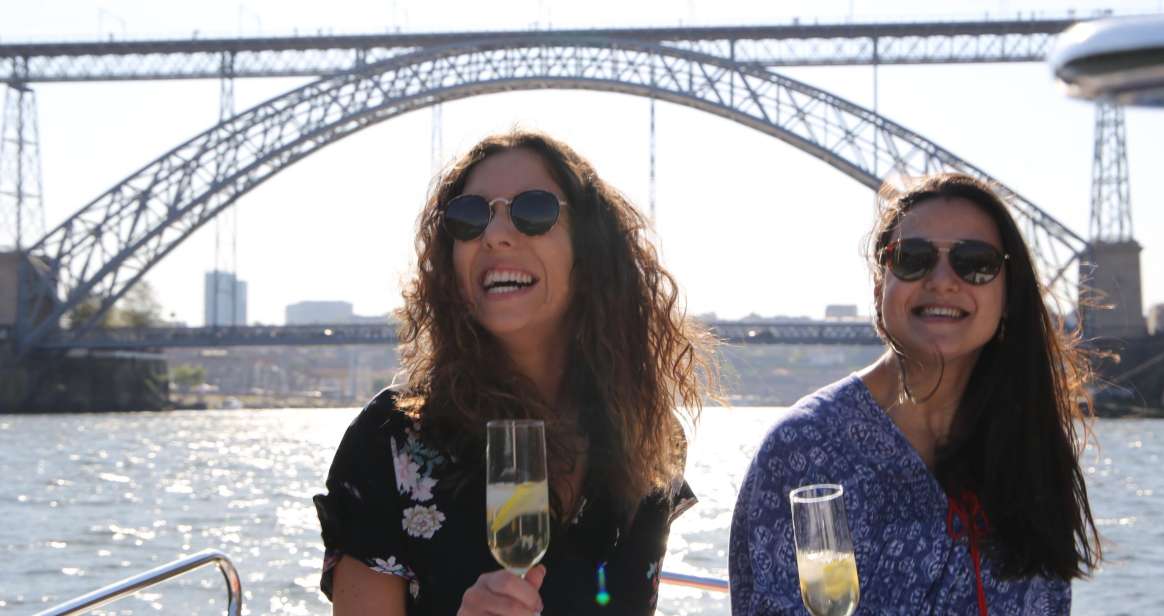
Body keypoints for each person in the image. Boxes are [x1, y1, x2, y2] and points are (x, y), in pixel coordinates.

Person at [314, 129, 719, 615]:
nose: (495, 234)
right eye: (468, 218)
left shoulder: (648, 440)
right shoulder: (391, 443)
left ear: (590, 251)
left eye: (533, 211)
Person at [729, 173, 1101, 615]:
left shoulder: (1027, 447)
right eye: (912, 258)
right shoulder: (806, 449)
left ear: (1008, 295)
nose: (943, 280)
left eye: (976, 262)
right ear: (878, 286)